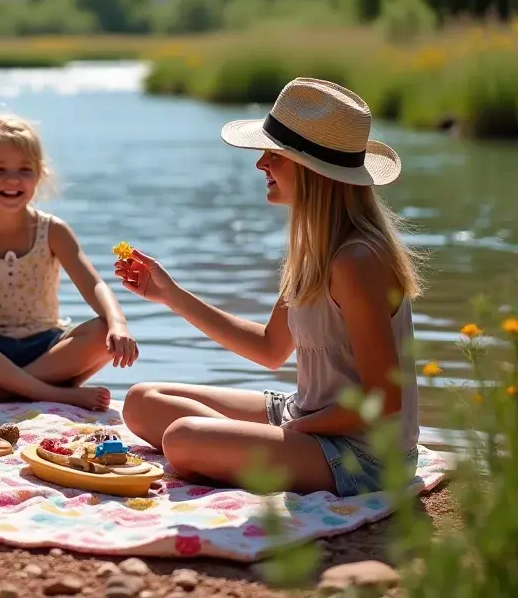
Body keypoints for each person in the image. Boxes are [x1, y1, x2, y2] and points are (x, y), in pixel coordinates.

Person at [117, 78, 423, 497]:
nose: (261, 164)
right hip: (309, 416)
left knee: (183, 437)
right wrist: (170, 294)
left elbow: (384, 401)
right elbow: (269, 347)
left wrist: (294, 429)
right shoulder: (314, 250)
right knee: (141, 400)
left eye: (273, 155)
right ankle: (237, 446)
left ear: (312, 171)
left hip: (363, 453)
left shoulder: (356, 261)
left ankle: (230, 446)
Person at [0, 109, 138, 412]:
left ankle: (2, 390)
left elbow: (95, 285)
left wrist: (119, 324)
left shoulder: (53, 230)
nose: (13, 179)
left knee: (103, 332)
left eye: (24, 169)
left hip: (46, 349)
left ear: (38, 175)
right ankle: (56, 394)